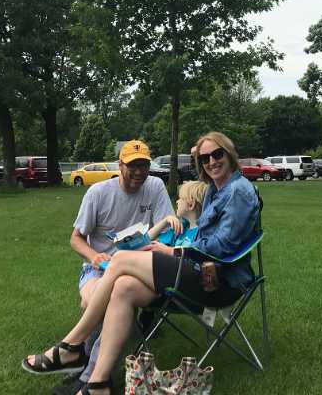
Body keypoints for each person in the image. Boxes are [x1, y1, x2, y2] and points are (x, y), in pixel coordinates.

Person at [22, 132, 260, 395]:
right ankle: (98, 383)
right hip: (197, 270)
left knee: (121, 258)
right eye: (205, 158)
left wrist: (173, 251)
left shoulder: (238, 191)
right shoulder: (217, 189)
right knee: (123, 286)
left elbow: (221, 247)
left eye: (217, 154)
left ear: (230, 153)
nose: (211, 161)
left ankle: (71, 346)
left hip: (216, 282)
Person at [48, 139, 176, 395]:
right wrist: (93, 256)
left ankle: (85, 372)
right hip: (98, 268)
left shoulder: (155, 186)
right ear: (120, 165)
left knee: (116, 295)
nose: (139, 172)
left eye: (144, 165)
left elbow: (166, 230)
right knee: (97, 300)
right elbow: (76, 238)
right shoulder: (98, 193)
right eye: (132, 165)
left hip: (137, 267)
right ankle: (89, 370)